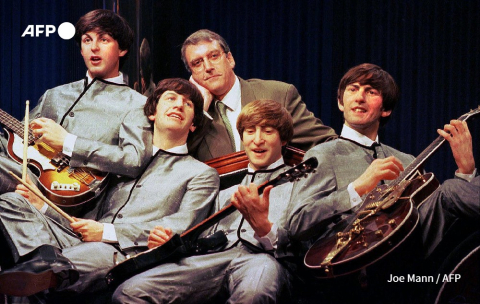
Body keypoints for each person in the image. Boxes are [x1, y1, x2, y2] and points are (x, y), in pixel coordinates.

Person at [0, 78, 220, 300]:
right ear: (152, 113)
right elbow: (84, 223)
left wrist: (106, 232)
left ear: (193, 124)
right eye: (171, 98)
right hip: (76, 240)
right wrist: (44, 208)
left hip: (123, 253)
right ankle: (41, 263)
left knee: (82, 257)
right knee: (12, 202)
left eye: (188, 104)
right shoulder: (120, 164)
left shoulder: (201, 174)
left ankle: (40, 273)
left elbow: (178, 228)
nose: (179, 105)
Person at [276, 63, 479, 302]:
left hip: (411, 256)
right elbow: (297, 223)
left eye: (371, 92)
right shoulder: (322, 154)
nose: (360, 97)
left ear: (386, 109)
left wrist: (466, 170)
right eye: (353, 89)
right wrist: (358, 188)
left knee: (452, 188)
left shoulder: (407, 160)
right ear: (341, 102)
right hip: (355, 262)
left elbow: (442, 213)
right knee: (451, 190)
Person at [112, 99, 300, 304]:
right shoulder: (224, 193)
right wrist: (168, 243)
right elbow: (200, 239)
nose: (257, 140)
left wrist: (265, 229)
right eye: (250, 131)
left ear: (283, 139)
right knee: (130, 292)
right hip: (212, 261)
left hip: (263, 261)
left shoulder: (299, 185)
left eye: (268, 131)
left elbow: (301, 249)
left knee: (253, 294)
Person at [0, 9, 150, 201]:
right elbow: (16, 147)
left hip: (83, 198)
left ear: (122, 49)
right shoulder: (54, 95)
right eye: (87, 40)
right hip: (30, 179)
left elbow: (133, 160)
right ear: (81, 49)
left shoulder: (137, 104)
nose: (94, 47)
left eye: (104, 40)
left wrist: (68, 142)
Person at [181, 29, 337, 161]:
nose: (208, 67)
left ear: (230, 59)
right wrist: (201, 110)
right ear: (192, 76)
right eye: (197, 63)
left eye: (214, 56)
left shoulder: (278, 94)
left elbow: (327, 143)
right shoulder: (193, 115)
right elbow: (180, 160)